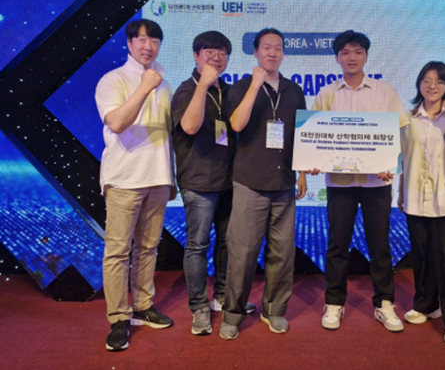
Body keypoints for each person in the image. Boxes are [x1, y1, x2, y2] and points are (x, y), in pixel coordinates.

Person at [311, 30, 407, 332]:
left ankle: (384, 304)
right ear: (337, 58)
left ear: (366, 55)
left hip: (377, 184)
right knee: (337, 245)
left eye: (357, 52)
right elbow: (313, 135)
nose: (351, 57)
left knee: (380, 246)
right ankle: (334, 302)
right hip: (339, 183)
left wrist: (390, 163)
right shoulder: (327, 93)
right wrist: (312, 160)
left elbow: (399, 132)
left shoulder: (384, 91)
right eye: (345, 52)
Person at [219, 28, 307, 340]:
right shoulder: (242, 87)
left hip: (284, 184)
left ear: (284, 53)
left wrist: (302, 173)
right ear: (255, 52)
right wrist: (256, 85)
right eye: (266, 47)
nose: (272, 53)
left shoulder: (294, 90)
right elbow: (236, 124)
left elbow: (302, 135)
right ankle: (233, 313)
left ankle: (274, 310)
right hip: (250, 182)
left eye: (278, 48)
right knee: (242, 253)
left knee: (282, 253)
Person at [95, 19, 177, 352]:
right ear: (129, 44)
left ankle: (143, 305)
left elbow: (169, 134)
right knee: (118, 251)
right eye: (141, 40)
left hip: (157, 178)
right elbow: (116, 122)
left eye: (154, 40)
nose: (148, 46)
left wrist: (171, 177)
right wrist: (144, 86)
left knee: (148, 248)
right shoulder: (113, 79)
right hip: (124, 179)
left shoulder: (165, 84)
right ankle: (118, 317)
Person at [171, 31, 256, 337]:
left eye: (222, 52)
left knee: (226, 242)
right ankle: (199, 307)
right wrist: (203, 85)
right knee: (197, 245)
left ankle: (221, 295)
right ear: (196, 56)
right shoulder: (187, 89)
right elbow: (190, 126)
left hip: (228, 180)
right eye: (209, 51)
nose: (217, 58)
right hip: (198, 182)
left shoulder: (228, 91)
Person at [398, 61, 445, 345]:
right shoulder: (408, 118)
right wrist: (400, 193)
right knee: (422, 255)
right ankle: (426, 305)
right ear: (419, 83)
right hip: (416, 198)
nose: (432, 86)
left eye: (439, 81)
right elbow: (404, 159)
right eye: (427, 80)